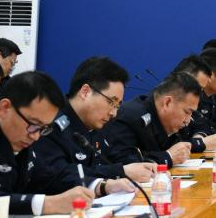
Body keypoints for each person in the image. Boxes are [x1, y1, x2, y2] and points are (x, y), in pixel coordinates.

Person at [0, 71, 94, 214]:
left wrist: (99, 186)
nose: (36, 136)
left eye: (44, 128)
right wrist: (47, 204)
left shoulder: (21, 133)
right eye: (34, 125)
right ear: (5, 108)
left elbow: (46, 176)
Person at [28, 57, 156, 196]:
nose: (113, 113)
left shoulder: (99, 123)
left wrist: (140, 166)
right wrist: (118, 173)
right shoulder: (50, 122)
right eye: (111, 102)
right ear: (85, 92)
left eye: (118, 105)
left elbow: (114, 157)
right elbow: (57, 176)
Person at [99, 71, 200, 168]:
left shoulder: (169, 120)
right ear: (167, 102)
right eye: (187, 112)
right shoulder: (131, 117)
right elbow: (125, 164)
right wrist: (168, 157)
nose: (188, 120)